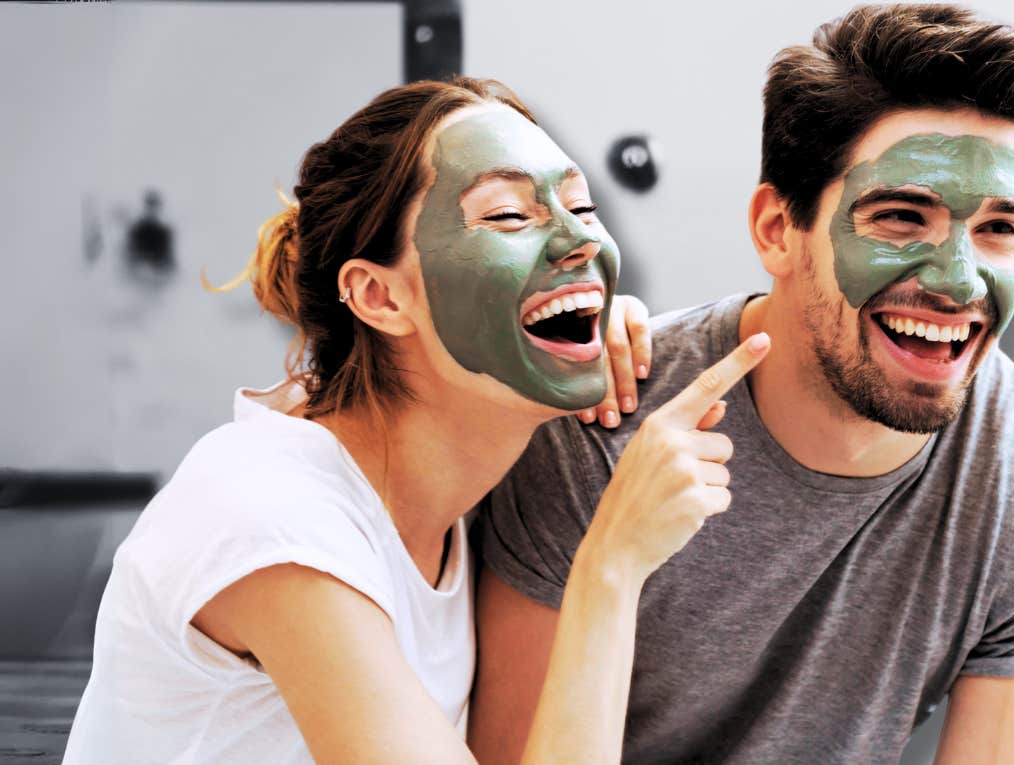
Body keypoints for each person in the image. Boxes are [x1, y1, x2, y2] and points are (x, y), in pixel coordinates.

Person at [62, 76, 771, 764]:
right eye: (509, 216)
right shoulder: (270, 517)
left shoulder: (452, 485)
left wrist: (581, 329)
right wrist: (611, 565)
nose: (578, 242)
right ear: (378, 295)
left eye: (583, 210)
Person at [470, 5, 1014, 764]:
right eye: (902, 217)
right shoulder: (601, 430)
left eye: (1000, 228)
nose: (960, 282)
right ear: (776, 229)